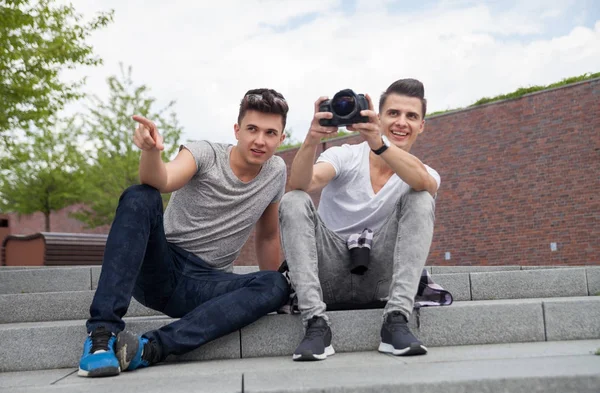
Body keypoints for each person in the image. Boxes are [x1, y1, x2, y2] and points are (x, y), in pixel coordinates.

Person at [78, 88, 291, 377]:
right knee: (141, 195)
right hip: (161, 268)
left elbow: (267, 236)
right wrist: (151, 152)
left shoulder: (276, 171)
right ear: (237, 130)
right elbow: (161, 179)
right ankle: (101, 336)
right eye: (252, 129)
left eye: (270, 133)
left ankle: (149, 348)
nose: (259, 140)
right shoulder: (204, 152)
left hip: (207, 285)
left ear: (281, 138)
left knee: (277, 283)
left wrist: (272, 296)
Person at [279, 79, 440, 361]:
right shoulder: (344, 156)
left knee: (421, 195)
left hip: (381, 279)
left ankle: (396, 321)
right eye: (393, 113)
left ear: (422, 125)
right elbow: (302, 183)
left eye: (411, 116)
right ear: (378, 116)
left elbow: (423, 182)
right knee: (293, 199)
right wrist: (312, 139)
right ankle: (315, 324)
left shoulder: (424, 171)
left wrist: (380, 145)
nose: (401, 122)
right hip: (327, 275)